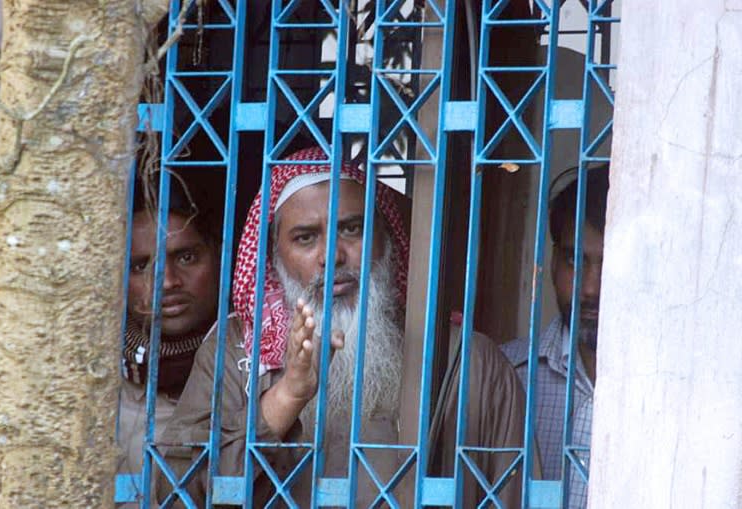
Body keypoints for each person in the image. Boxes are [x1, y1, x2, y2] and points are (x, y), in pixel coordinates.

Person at [158, 147, 529, 507]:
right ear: (274, 255)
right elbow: (174, 493)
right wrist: (285, 398)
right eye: (305, 237)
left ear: (386, 239)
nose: (332, 256)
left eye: (351, 229)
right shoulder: (235, 351)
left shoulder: (466, 359)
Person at [500, 166, 609, 508]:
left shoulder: (680, 392)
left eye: (612, 261)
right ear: (553, 261)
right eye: (575, 259)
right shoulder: (507, 376)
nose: (591, 288)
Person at [117, 183, 221, 482]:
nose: (167, 282)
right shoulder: (96, 382)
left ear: (218, 253)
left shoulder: (252, 367)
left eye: (186, 257)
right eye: (139, 266)